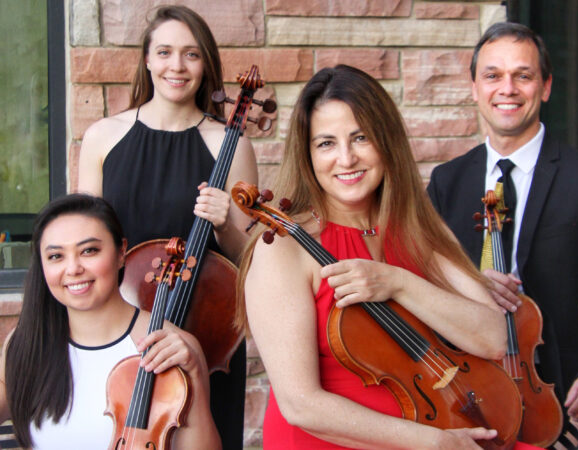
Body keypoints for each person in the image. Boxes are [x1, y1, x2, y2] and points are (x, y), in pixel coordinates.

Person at [236, 65, 510, 449]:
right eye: (326, 143)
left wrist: (398, 282)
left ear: (387, 141)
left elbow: (495, 338)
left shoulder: (415, 229)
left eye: (360, 137)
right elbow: (301, 405)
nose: (346, 159)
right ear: (307, 154)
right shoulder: (283, 246)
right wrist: (435, 443)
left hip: (435, 427)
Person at [76, 6, 257, 448]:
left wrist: (224, 225)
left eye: (191, 55)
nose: (177, 66)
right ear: (148, 60)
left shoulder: (230, 145)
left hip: (202, 338)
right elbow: (86, 245)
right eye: (165, 52)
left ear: (205, 64)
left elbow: (250, 257)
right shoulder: (103, 136)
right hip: (122, 334)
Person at [427, 22, 578, 433]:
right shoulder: (446, 181)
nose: (507, 88)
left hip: (560, 394)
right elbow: (421, 280)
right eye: (493, 75)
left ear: (546, 87)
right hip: (463, 394)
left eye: (523, 75)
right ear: (474, 88)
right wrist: (467, 284)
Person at [0, 193, 220, 449]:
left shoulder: (170, 346)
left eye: (89, 251)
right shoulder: (26, 342)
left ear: (121, 252)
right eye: (56, 256)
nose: (73, 269)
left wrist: (191, 378)